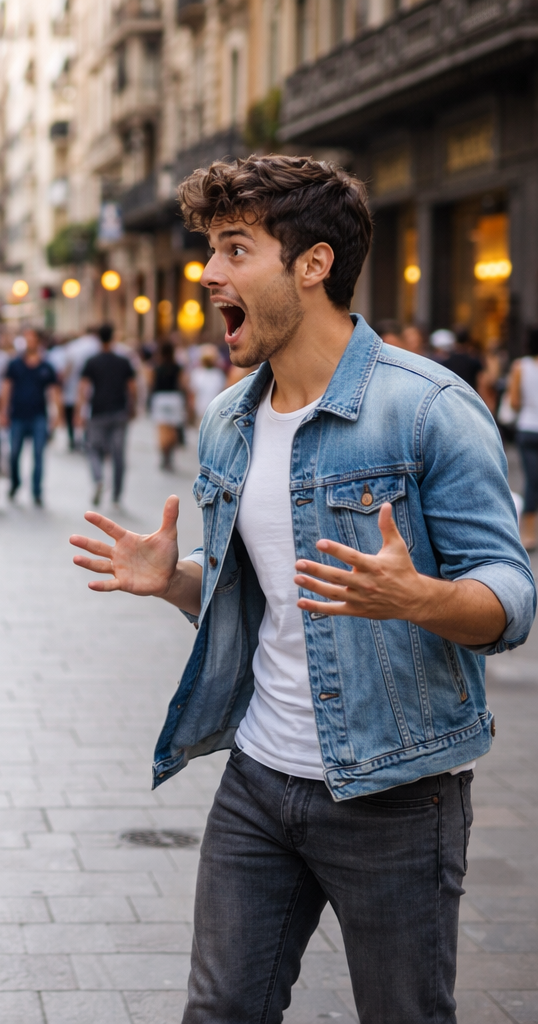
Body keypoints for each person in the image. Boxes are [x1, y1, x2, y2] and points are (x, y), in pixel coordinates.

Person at [69, 154, 535, 1024]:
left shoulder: (427, 407)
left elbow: (510, 597)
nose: (208, 273)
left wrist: (418, 599)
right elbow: (260, 586)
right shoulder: (230, 419)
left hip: (396, 791)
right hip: (257, 778)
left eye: (235, 248)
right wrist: (175, 580)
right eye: (210, 249)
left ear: (313, 264)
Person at [0, 327, 62, 506]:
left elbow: (53, 391)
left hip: (38, 416)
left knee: (39, 454)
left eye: (33, 339)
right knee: (14, 453)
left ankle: (37, 490)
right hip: (17, 415)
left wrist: (56, 414)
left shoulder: (46, 366)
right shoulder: (15, 364)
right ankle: (15, 483)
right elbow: (6, 388)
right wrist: (3, 411)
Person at [76, 324, 136, 506]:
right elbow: (132, 388)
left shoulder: (92, 361)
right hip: (119, 412)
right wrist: (133, 407)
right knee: (118, 454)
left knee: (93, 448)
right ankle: (117, 495)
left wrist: (80, 411)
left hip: (98, 411)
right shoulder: (123, 361)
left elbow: (83, 388)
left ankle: (98, 478)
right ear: (113, 338)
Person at [509, 329, 538, 549]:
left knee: (531, 480)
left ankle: (529, 533)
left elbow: (514, 401)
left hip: (528, 427)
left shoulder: (520, 366)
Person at [59, 328, 101, 450]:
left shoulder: (73, 347)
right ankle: (87, 438)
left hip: (73, 387)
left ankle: (72, 438)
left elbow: (68, 368)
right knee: (88, 413)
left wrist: (64, 382)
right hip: (93, 387)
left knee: (71, 412)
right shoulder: (98, 346)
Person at [149, 339, 188, 470]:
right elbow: (183, 384)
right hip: (174, 397)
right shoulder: (177, 367)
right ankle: (169, 456)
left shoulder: (156, 367)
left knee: (162, 429)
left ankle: (163, 455)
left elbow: (150, 383)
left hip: (160, 398)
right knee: (172, 429)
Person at [188, 343, 227, 423]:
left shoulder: (218, 374)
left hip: (215, 410)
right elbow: (193, 393)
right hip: (200, 410)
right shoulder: (197, 373)